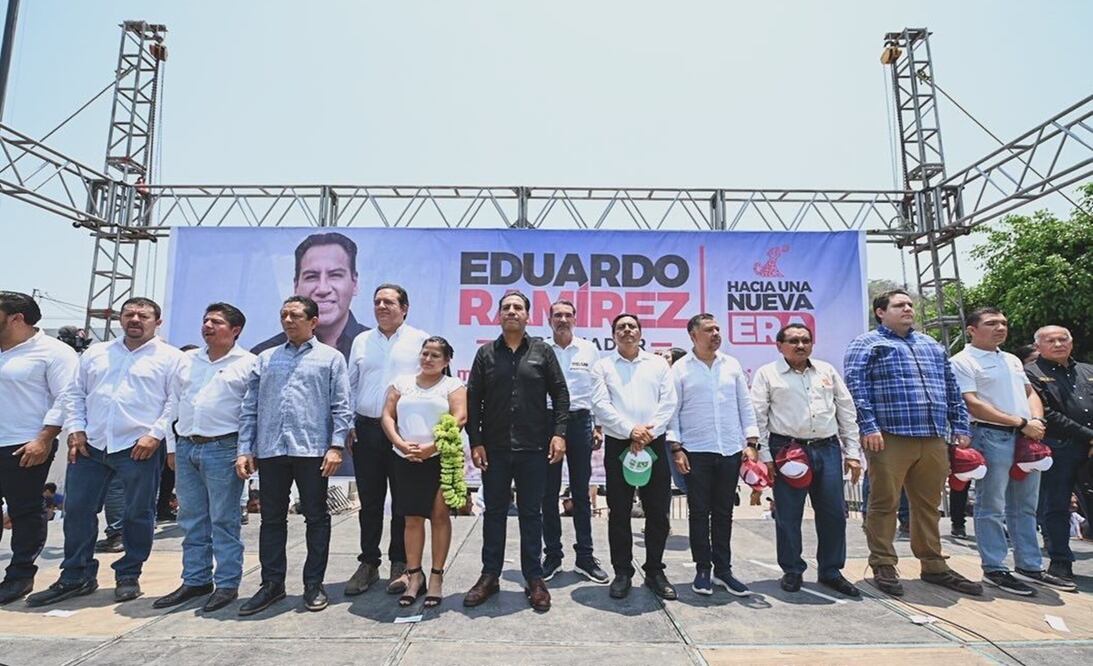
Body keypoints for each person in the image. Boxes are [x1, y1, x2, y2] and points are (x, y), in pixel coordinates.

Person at [28, 297, 186, 607]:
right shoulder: (97, 353)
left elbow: (175, 401)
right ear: (120, 318)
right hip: (91, 445)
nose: (135, 319)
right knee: (77, 511)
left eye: (143, 315)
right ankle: (76, 575)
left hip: (138, 446)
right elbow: (74, 393)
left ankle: (128, 574)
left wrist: (154, 436)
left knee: (137, 514)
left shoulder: (171, 358)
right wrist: (75, 428)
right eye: (129, 314)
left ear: (158, 321)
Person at [843, 289, 982, 597]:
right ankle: (882, 563)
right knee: (883, 503)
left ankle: (933, 565)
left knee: (929, 506)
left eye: (909, 304)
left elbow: (950, 386)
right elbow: (857, 387)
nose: (907, 309)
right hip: (889, 436)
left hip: (932, 436)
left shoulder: (930, 344)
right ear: (881, 312)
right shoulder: (867, 344)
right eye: (899, 305)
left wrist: (959, 424)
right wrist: (868, 426)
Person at [235, 296, 353, 615]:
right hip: (272, 449)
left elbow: (342, 406)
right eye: (284, 315)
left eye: (296, 316)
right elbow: (249, 407)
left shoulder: (330, 358)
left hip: (312, 450)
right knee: (271, 519)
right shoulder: (265, 358)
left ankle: (313, 585)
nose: (288, 320)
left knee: (316, 517)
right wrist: (245, 448)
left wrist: (336, 446)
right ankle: (272, 584)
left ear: (313, 322)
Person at [951, 309, 1074, 594]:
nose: (1000, 328)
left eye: (1004, 323)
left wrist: (1036, 421)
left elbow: (1030, 393)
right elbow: (972, 403)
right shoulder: (962, 361)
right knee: (991, 505)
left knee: (1026, 506)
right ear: (971, 330)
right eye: (991, 323)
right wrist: (1020, 422)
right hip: (990, 434)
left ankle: (1029, 565)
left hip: (1025, 437)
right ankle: (995, 567)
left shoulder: (1012, 359)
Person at [463, 290, 569, 613]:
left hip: (534, 448)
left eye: (518, 307)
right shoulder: (485, 355)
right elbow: (473, 401)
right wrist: (476, 441)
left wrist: (559, 435)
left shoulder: (543, 352)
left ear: (528, 316)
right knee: (494, 513)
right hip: (494, 449)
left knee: (531, 514)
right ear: (498, 315)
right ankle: (490, 575)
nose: (512, 311)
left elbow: (561, 396)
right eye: (506, 307)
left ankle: (534, 578)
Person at [154, 303, 257, 613]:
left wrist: (245, 452)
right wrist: (172, 447)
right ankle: (196, 579)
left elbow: (250, 413)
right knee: (191, 518)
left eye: (216, 322)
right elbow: (173, 403)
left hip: (223, 448)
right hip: (187, 447)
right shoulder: (185, 360)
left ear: (235, 330)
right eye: (205, 320)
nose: (208, 326)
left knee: (224, 520)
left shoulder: (249, 364)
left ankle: (227, 583)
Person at [751, 322, 862, 597]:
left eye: (805, 340)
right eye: (793, 341)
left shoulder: (826, 370)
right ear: (779, 346)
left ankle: (831, 571)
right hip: (786, 450)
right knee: (788, 514)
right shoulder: (768, 374)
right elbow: (758, 418)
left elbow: (846, 411)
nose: (800, 345)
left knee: (834, 513)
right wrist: (765, 457)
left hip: (827, 448)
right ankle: (792, 570)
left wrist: (852, 452)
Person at [344, 284, 429, 597]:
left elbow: (428, 382)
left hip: (404, 432)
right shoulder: (362, 340)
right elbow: (350, 385)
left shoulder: (419, 340)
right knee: (370, 500)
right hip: (366, 430)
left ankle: (401, 562)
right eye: (377, 301)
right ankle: (368, 562)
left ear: (404, 308)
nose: (381, 306)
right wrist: (347, 425)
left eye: (389, 302)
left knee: (403, 501)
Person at [0, 292, 79, 605]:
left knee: (25, 512)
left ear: (17, 318)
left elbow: (66, 398)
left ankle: (19, 576)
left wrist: (44, 438)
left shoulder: (54, 352)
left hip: (24, 445)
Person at [667, 314, 754, 597]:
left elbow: (745, 403)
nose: (716, 334)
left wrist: (751, 441)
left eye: (717, 329)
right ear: (693, 335)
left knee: (724, 513)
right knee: (698, 513)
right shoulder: (680, 369)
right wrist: (676, 448)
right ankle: (703, 569)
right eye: (708, 330)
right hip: (695, 451)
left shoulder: (732, 365)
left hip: (729, 449)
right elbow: (672, 412)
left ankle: (724, 570)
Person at [594, 313, 678, 600]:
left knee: (658, 512)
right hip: (619, 445)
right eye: (620, 327)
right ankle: (622, 571)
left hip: (654, 445)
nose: (627, 330)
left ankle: (655, 569)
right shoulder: (603, 366)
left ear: (641, 332)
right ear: (613, 334)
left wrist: (646, 434)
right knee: (619, 513)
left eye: (632, 326)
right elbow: (600, 405)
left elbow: (669, 402)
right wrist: (631, 431)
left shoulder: (657, 364)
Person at [380, 336, 467, 607]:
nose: (428, 359)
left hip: (439, 458)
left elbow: (459, 417)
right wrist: (399, 443)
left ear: (447, 361)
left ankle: (436, 577)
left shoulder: (453, 385)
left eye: (435, 356)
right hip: (404, 458)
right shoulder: (402, 383)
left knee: (439, 516)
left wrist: (432, 447)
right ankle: (414, 576)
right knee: (412, 519)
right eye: (425, 354)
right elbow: (387, 415)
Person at [541, 299, 609, 584]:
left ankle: (584, 557)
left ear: (576, 318)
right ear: (549, 319)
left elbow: (597, 389)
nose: (563, 319)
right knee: (548, 493)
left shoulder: (589, 349)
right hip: (547, 422)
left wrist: (599, 425)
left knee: (582, 492)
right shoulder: (540, 348)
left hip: (581, 422)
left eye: (568, 315)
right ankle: (553, 555)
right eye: (557, 315)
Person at [1026, 325, 1093, 582]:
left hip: (1090, 449)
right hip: (1059, 448)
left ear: (1071, 342)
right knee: (1056, 505)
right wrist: (1089, 437)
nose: (1057, 344)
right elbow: (1048, 414)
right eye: (1050, 340)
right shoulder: (1030, 374)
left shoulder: (1087, 370)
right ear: (1038, 347)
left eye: (1062, 339)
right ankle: (1060, 560)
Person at [251, 232, 369, 358]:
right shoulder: (264, 355)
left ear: (355, 283)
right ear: (296, 285)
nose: (323, 289)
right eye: (311, 277)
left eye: (335, 275)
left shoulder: (374, 347)